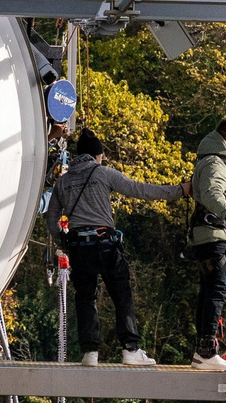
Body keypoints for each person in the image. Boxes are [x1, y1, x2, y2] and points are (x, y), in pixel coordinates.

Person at [55, 127, 186, 366]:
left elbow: (52, 219)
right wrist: (179, 191)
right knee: (121, 295)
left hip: (78, 247)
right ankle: (130, 349)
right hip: (105, 244)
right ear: (98, 155)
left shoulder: (63, 183)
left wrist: (62, 241)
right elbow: (140, 189)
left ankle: (90, 353)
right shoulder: (103, 173)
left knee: (85, 298)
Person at [187, 116, 226, 365]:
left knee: (208, 291)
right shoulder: (215, 163)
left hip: (206, 235)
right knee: (217, 290)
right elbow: (212, 194)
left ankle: (203, 350)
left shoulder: (211, 160)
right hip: (212, 236)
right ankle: (207, 350)